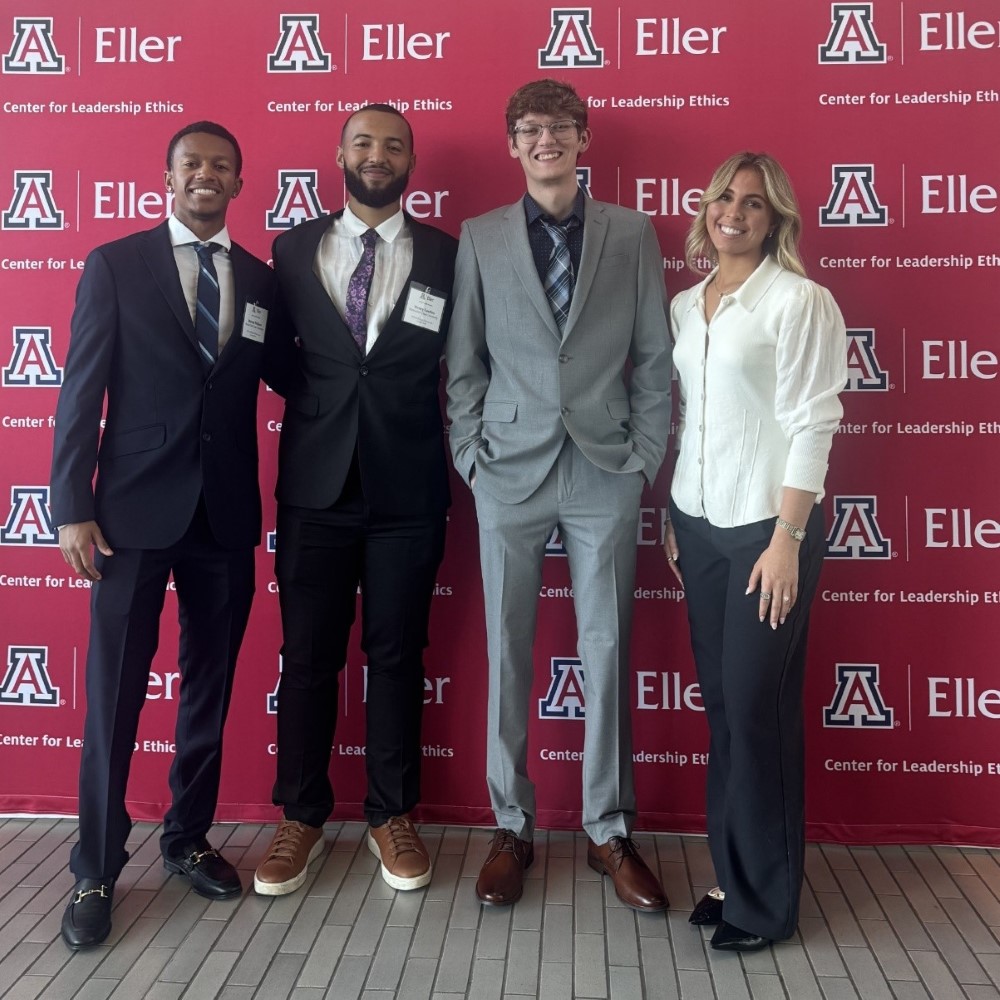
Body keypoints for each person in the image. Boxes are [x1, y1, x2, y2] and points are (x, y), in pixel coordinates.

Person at [50, 121, 278, 949]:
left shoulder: (258, 278)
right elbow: (80, 389)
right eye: (194, 165)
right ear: (169, 177)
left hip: (223, 517)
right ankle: (96, 868)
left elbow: (289, 372)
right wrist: (71, 504)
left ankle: (186, 836)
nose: (207, 176)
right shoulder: (115, 264)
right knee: (113, 695)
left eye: (223, 165)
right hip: (129, 519)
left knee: (209, 691)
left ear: (240, 183)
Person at [445, 79, 671, 910]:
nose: (546, 140)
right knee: (508, 648)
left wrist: (644, 456)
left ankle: (608, 831)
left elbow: (653, 358)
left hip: (604, 466)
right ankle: (513, 825)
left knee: (607, 649)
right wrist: (470, 454)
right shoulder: (480, 237)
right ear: (513, 145)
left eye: (561, 127)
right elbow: (462, 361)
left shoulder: (634, 233)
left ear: (584, 139)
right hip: (506, 467)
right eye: (531, 130)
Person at [253, 104, 457, 896]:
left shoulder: (446, 253)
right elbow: (275, 355)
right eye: (365, 142)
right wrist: (323, 408)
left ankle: (390, 814)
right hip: (316, 486)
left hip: (409, 487)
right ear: (339, 153)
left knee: (398, 656)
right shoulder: (292, 247)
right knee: (306, 659)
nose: (379, 156)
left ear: (412, 160)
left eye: (394, 145)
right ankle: (300, 816)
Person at [663, 152, 847, 951]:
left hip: (768, 535)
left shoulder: (801, 303)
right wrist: (673, 510)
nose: (732, 212)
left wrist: (788, 541)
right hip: (698, 526)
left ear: (776, 220)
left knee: (758, 713)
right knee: (726, 715)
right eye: (722, 198)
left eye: (753, 204)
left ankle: (766, 906)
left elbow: (814, 423)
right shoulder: (685, 304)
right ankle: (733, 874)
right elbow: (693, 417)